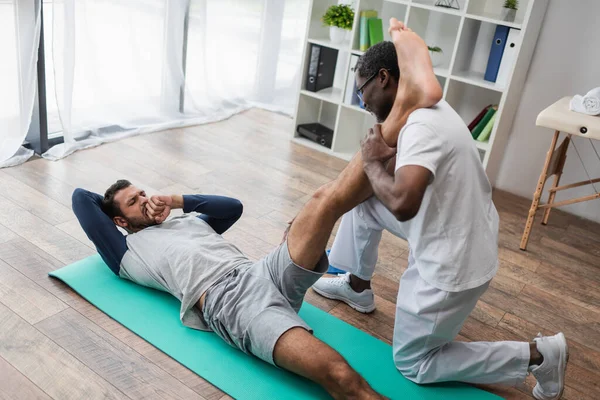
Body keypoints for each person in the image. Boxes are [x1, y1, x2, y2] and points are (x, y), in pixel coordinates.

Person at [72, 19, 443, 400]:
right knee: (341, 376)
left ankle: (401, 109)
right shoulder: (128, 254)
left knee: (322, 200)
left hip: (260, 270)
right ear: (118, 221)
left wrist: (176, 200)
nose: (145, 200)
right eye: (134, 202)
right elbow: (80, 199)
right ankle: (406, 104)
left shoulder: (182, 223)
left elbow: (232, 208)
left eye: (142, 192)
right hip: (229, 302)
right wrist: (129, 219)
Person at [311, 40, 568, 400]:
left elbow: (402, 203)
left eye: (361, 91)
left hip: (453, 260)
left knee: (414, 362)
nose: (362, 102)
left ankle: (539, 356)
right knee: (364, 202)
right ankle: (356, 285)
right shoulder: (428, 107)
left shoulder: (421, 128)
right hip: (455, 228)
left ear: (383, 78)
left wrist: (370, 162)